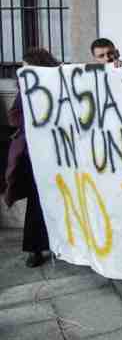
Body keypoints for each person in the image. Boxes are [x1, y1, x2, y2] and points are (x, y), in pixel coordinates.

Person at [3, 48, 58, 267]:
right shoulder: (24, 90)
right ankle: (35, 248)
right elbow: (14, 116)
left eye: (27, 66)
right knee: (37, 200)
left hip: (57, 153)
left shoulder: (57, 85)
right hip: (34, 154)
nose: (22, 71)